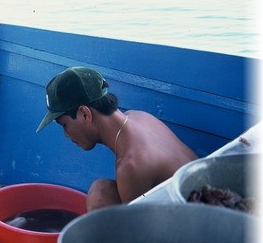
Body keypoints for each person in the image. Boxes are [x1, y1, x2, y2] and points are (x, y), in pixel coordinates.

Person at [36, 66, 198, 211]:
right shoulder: (140, 117)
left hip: (198, 227)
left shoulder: (131, 165)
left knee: (98, 198)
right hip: (202, 205)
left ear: (85, 114)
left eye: (64, 125)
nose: (66, 134)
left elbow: (137, 233)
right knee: (102, 191)